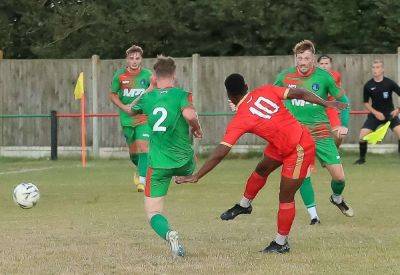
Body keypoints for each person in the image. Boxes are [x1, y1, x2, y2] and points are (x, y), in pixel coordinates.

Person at [176, 73, 347, 253]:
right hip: (281, 143)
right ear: (247, 85)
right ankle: (244, 205)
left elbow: (220, 153)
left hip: (299, 148)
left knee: (285, 197)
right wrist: (327, 103)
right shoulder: (265, 89)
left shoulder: (240, 119)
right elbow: (301, 93)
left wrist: (197, 175)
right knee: (261, 169)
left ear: (229, 96)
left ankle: (281, 243)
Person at [221, 40, 353, 226]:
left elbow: (344, 102)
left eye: (306, 58)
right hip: (295, 135)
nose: (303, 62)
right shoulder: (285, 77)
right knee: (302, 175)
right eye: (299, 58)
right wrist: (242, 105)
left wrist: (342, 125)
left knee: (339, 177)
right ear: (295, 59)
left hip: (321, 133)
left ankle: (337, 198)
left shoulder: (325, 77)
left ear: (313, 59)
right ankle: (314, 215)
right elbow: (268, 98)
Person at [129, 55, 202, 257]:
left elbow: (129, 111)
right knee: (189, 162)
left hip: (159, 164)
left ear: (154, 76)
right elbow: (189, 115)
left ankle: (169, 234)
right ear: (174, 75)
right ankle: (185, 176)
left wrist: (149, 89)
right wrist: (196, 128)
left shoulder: (148, 98)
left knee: (153, 212)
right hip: (184, 162)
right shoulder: (182, 94)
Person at [109, 45, 154, 192]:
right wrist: (124, 107)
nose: (134, 61)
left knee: (143, 146)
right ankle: (141, 168)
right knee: (135, 154)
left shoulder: (148, 75)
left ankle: (142, 181)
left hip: (143, 117)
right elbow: (113, 95)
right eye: (131, 58)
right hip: (127, 119)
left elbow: (154, 90)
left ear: (141, 59)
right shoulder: (120, 76)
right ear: (127, 59)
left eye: (137, 58)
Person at [354, 59, 400, 164]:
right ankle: (362, 159)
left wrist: (398, 109)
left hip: (390, 114)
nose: (375, 70)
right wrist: (376, 113)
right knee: (362, 136)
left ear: (382, 69)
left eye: (378, 67)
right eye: (373, 67)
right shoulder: (368, 85)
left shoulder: (390, 83)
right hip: (375, 115)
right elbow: (365, 103)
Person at [318, 55, 348, 147]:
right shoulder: (312, 77)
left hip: (330, 108)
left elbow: (338, 92)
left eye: (326, 63)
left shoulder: (336, 75)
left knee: (340, 134)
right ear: (318, 65)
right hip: (316, 108)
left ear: (330, 65)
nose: (324, 66)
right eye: (322, 64)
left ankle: (335, 152)